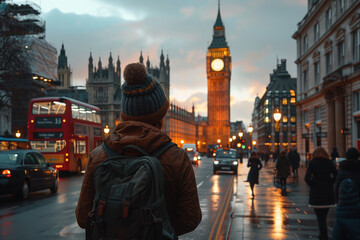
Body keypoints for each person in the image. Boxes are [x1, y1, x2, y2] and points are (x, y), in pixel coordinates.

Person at [75, 63, 202, 236]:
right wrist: (156, 229)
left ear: (124, 114)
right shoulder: (177, 158)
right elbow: (190, 219)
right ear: (161, 115)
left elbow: (83, 218)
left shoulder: (98, 156)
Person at [305, 147, 337, 240]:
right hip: (327, 193)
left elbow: (307, 178)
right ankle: (323, 234)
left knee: (320, 218)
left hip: (316, 194)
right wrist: (330, 182)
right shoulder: (329, 162)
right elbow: (336, 174)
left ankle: (323, 235)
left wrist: (313, 184)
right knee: (324, 216)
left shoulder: (312, 163)